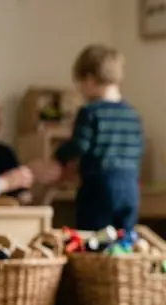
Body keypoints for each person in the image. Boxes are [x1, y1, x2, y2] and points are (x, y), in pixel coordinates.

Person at [33, 44, 144, 231]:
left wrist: (58, 157)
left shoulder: (90, 111)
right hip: (130, 187)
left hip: (99, 185)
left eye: (80, 85)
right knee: (124, 236)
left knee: (92, 236)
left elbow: (80, 145)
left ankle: (92, 261)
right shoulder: (132, 115)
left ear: (90, 80)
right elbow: (137, 150)